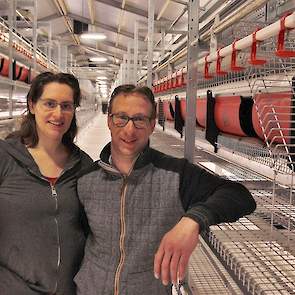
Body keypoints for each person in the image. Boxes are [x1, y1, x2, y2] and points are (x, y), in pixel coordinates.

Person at [75, 84, 256, 295]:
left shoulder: (177, 175)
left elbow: (239, 196)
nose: (129, 129)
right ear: (109, 120)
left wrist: (193, 221)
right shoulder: (86, 178)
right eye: (121, 117)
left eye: (140, 119)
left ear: (153, 125)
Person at [0, 72, 92, 295]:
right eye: (49, 104)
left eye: (66, 106)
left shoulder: (83, 165)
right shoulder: (5, 157)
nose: (58, 114)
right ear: (32, 105)